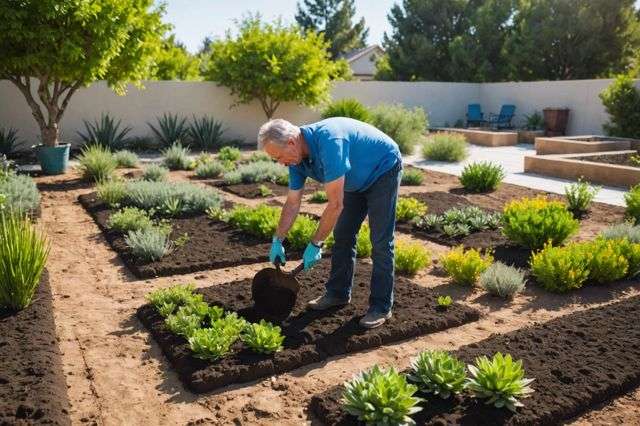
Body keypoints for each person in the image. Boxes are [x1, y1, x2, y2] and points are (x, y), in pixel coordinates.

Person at [257, 117, 402, 329]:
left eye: (279, 158)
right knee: (343, 235)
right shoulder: (297, 160)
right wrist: (277, 239)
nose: (281, 163)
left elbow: (335, 204)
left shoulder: (330, 142)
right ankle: (338, 293)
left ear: (291, 143)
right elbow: (292, 202)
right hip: (355, 179)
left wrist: (316, 244)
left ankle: (381, 306)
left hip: (382, 168)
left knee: (380, 240)